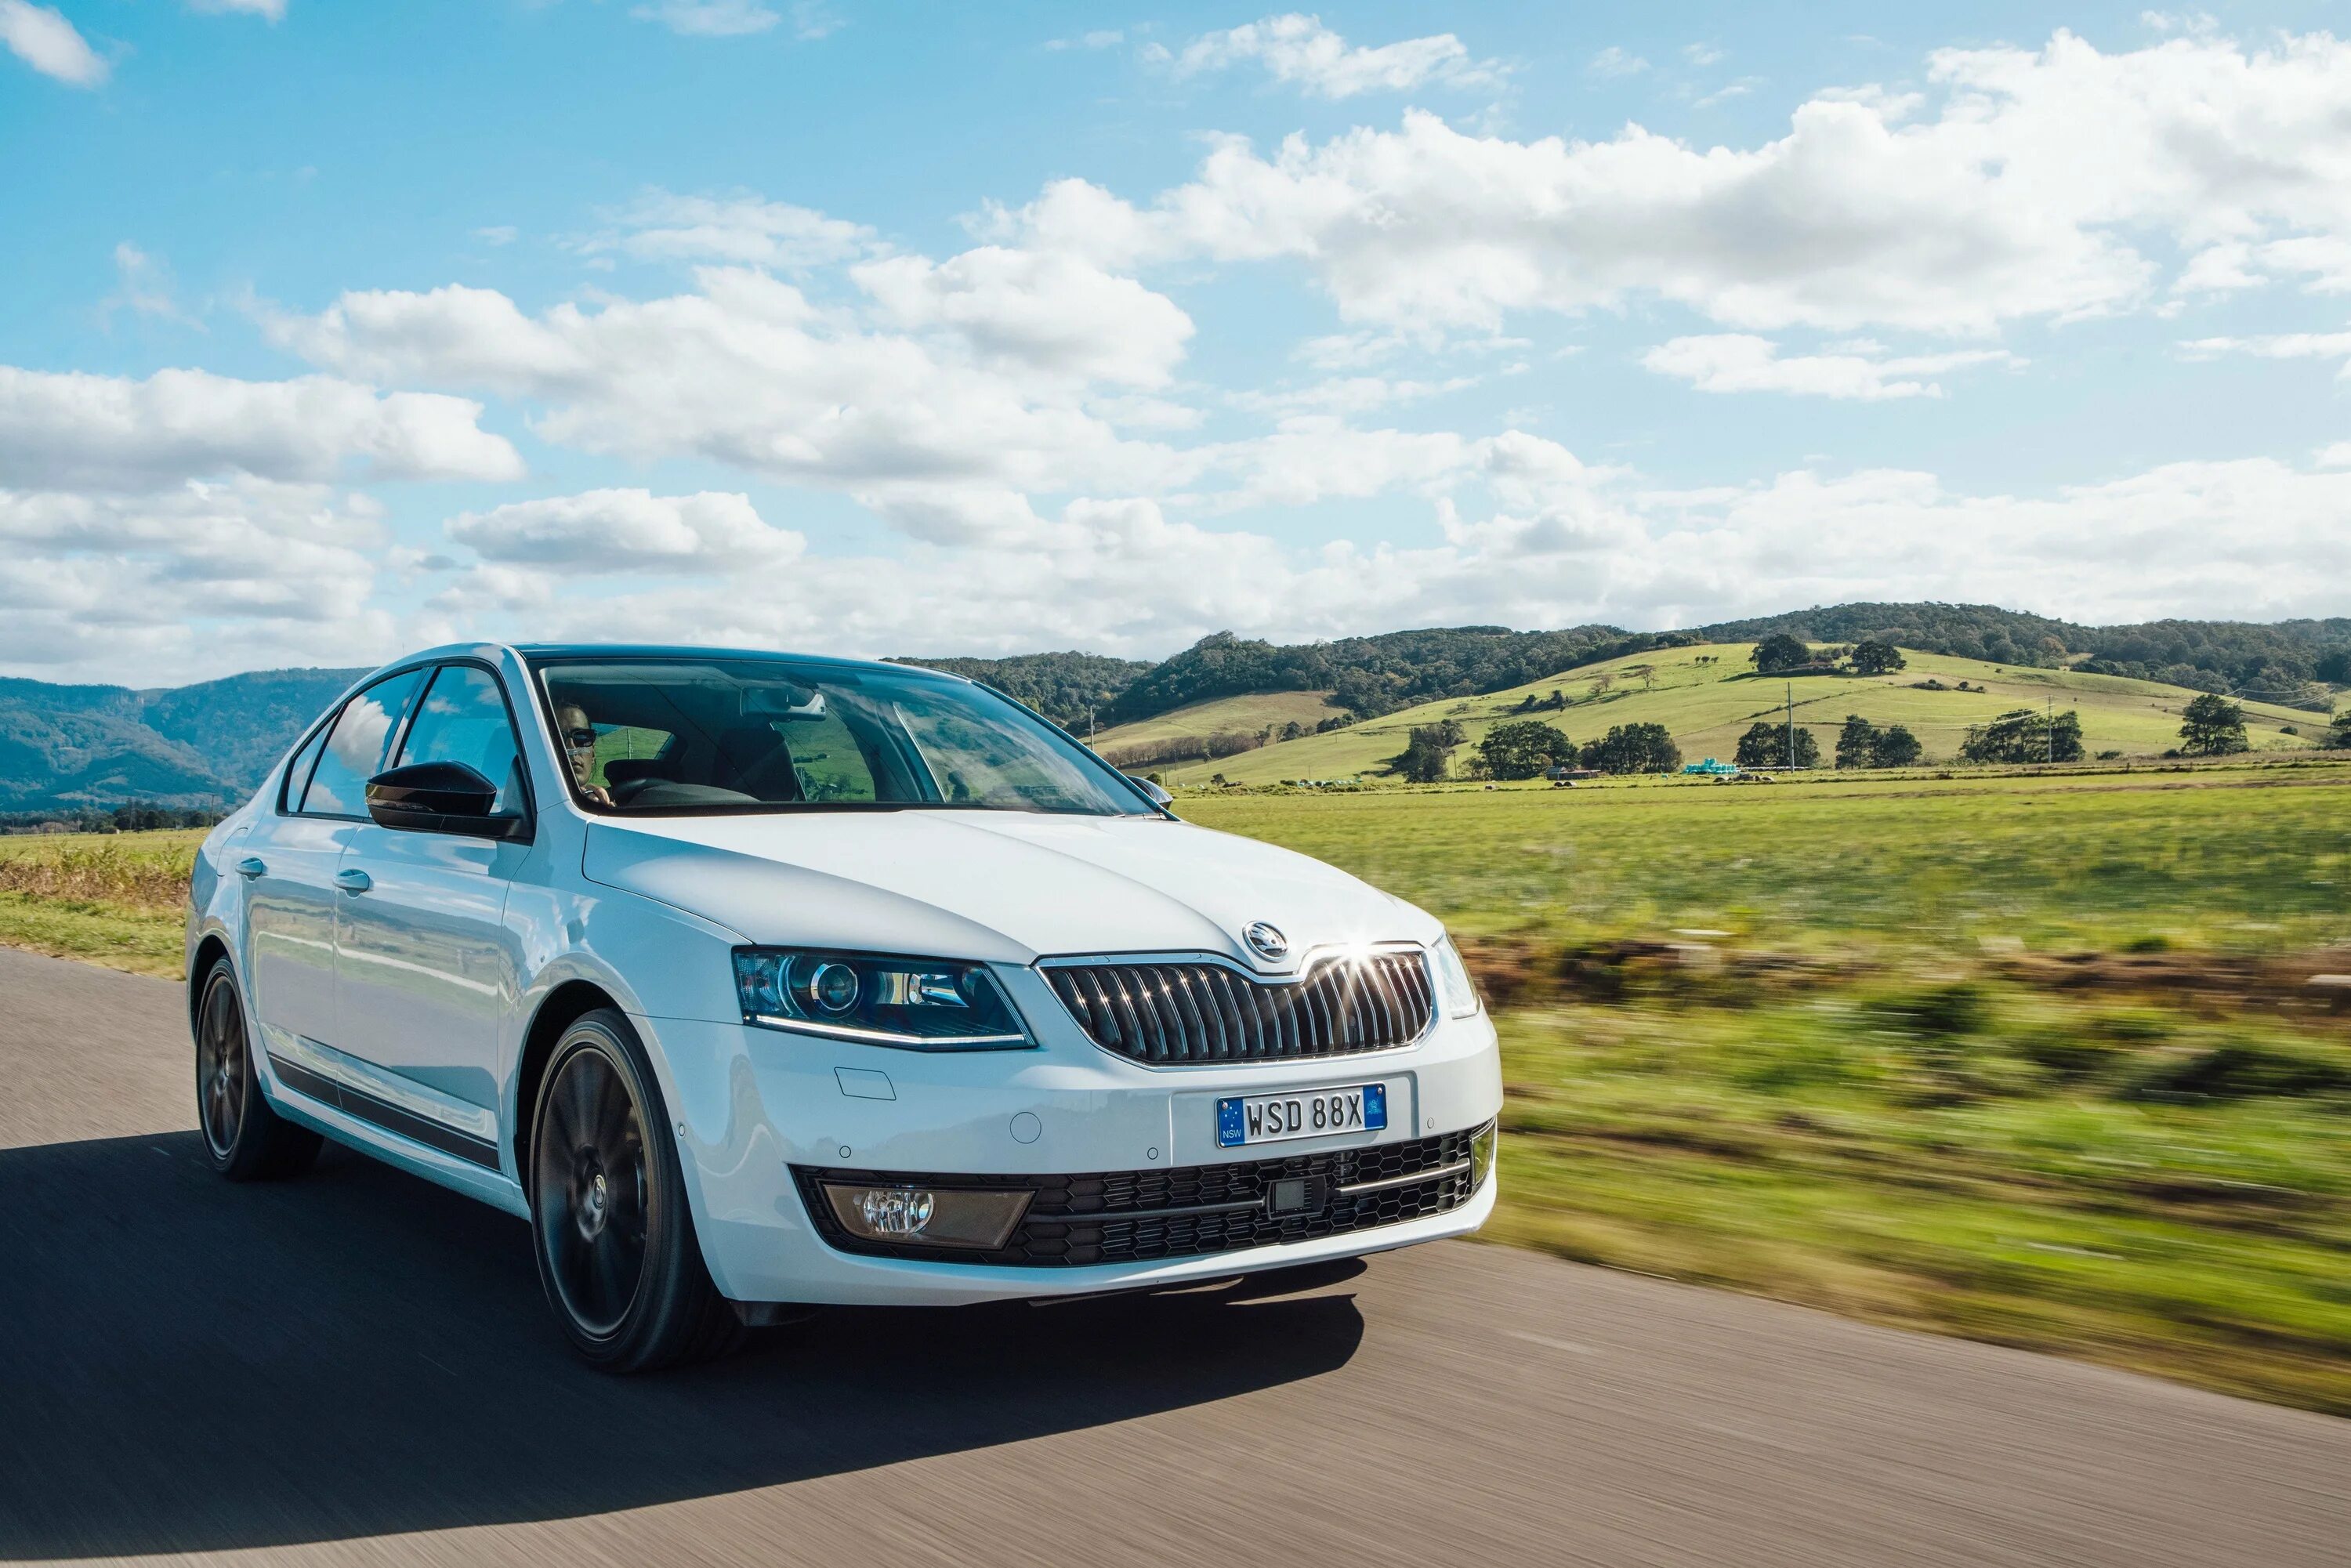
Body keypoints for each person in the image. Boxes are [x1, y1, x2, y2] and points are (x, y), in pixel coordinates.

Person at [555, 704, 613, 806]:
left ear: (593, 753)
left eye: (582, 737)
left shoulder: (602, 802)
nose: (571, 747)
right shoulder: (526, 807)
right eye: (558, 738)